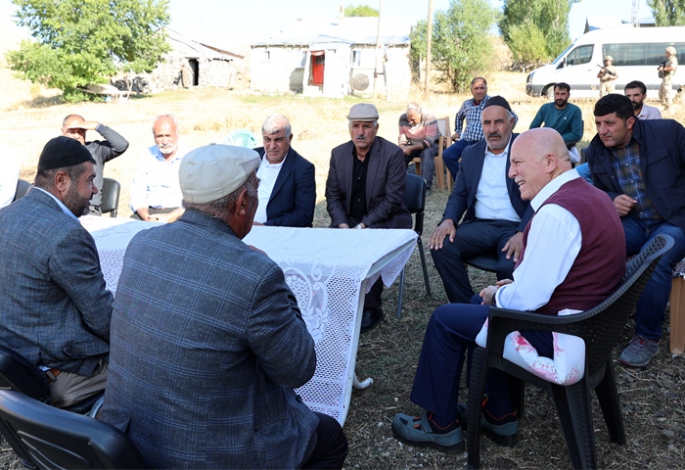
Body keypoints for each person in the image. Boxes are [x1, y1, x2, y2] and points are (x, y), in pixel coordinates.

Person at [99, 144, 347, 469]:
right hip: (205, 454)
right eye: (256, 189)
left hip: (129, 438)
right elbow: (298, 369)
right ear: (243, 203)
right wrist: (272, 272)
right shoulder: (255, 273)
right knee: (329, 437)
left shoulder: (141, 244)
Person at [392, 128, 626, 453]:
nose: (511, 171)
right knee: (477, 304)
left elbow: (529, 298)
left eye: (517, 163)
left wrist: (497, 294)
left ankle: (440, 425)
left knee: (446, 319)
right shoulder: (592, 195)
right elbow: (555, 275)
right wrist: (508, 290)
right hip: (586, 328)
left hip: (561, 338)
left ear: (548, 163)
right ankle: (498, 413)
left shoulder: (556, 214)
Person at [0, 136, 112, 408]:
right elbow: (104, 320)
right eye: (89, 181)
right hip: (59, 373)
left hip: (13, 365)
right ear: (61, 181)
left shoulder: (5, 215)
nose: (95, 190)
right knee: (157, 364)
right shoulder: (67, 235)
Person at [586, 93, 685, 367]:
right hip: (634, 221)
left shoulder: (668, 132)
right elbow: (595, 190)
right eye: (598, 123)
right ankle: (592, 320)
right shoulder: (595, 149)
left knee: (656, 255)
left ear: (630, 121)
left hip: (674, 220)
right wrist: (609, 198)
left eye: (609, 123)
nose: (602, 131)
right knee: (593, 246)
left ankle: (646, 337)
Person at [430, 96, 532, 304]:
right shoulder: (471, 153)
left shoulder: (527, 150)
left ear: (511, 123)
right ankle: (468, 308)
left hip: (515, 227)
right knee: (441, 246)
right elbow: (459, 193)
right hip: (480, 225)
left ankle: (507, 315)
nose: (492, 129)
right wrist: (448, 220)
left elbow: (540, 196)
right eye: (487, 123)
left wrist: (524, 232)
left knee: (508, 267)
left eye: (499, 122)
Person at [326, 103, 412, 332]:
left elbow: (392, 200)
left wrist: (363, 225)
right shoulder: (338, 154)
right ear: (350, 128)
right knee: (330, 242)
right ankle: (341, 301)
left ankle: (371, 307)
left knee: (371, 243)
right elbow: (332, 196)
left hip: (386, 219)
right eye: (356, 126)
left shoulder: (392, 154)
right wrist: (343, 225)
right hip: (349, 220)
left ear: (376, 128)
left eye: (366, 126)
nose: (360, 132)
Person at [442, 77, 518, 179]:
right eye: (476, 88)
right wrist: (458, 131)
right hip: (466, 140)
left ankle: (473, 182)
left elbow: (514, 117)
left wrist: (504, 133)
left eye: (482, 88)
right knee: (447, 155)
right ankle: (461, 180)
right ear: (471, 90)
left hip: (483, 142)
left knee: (475, 162)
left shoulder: (493, 103)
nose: (479, 91)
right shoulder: (467, 104)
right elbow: (459, 116)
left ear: (486, 89)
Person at [252, 114, 316, 227]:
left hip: (277, 233)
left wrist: (266, 226)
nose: (272, 146)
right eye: (267, 139)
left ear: (290, 138)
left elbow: (304, 215)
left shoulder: (303, 169)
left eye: (278, 140)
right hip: (243, 231)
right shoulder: (251, 157)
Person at [61, 114, 129, 216]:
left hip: (88, 210)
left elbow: (121, 145)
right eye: (72, 132)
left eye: (81, 131)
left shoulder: (96, 150)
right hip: (61, 210)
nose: (76, 136)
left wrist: (98, 126)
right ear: (63, 132)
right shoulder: (55, 153)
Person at [129, 114, 186, 222]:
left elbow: (198, 201)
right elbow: (137, 192)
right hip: (148, 213)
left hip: (180, 214)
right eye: (159, 136)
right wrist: (146, 217)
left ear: (177, 134)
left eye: (168, 135)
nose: (164, 141)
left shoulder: (189, 157)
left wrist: (171, 217)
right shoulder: (147, 155)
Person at [529, 82, 583, 163]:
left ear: (568, 95)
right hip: (546, 144)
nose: (559, 97)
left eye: (563, 94)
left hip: (565, 145)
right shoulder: (545, 108)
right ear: (553, 94)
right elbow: (533, 128)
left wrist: (556, 139)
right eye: (557, 94)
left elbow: (576, 134)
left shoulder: (575, 110)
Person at [398, 102, 441, 194]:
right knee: (400, 154)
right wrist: (402, 148)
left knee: (427, 153)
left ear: (420, 114)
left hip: (433, 144)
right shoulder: (403, 118)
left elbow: (429, 142)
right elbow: (402, 137)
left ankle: (426, 186)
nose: (410, 122)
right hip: (414, 144)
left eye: (413, 119)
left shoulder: (429, 117)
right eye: (408, 119)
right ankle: (398, 184)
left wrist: (410, 148)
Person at [658, 46, 678, 110]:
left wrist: (663, 69)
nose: (665, 53)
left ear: (670, 52)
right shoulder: (667, 59)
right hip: (665, 78)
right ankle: (665, 106)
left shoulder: (673, 59)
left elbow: (672, 68)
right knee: (661, 93)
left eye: (666, 52)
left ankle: (669, 108)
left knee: (667, 93)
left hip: (668, 78)